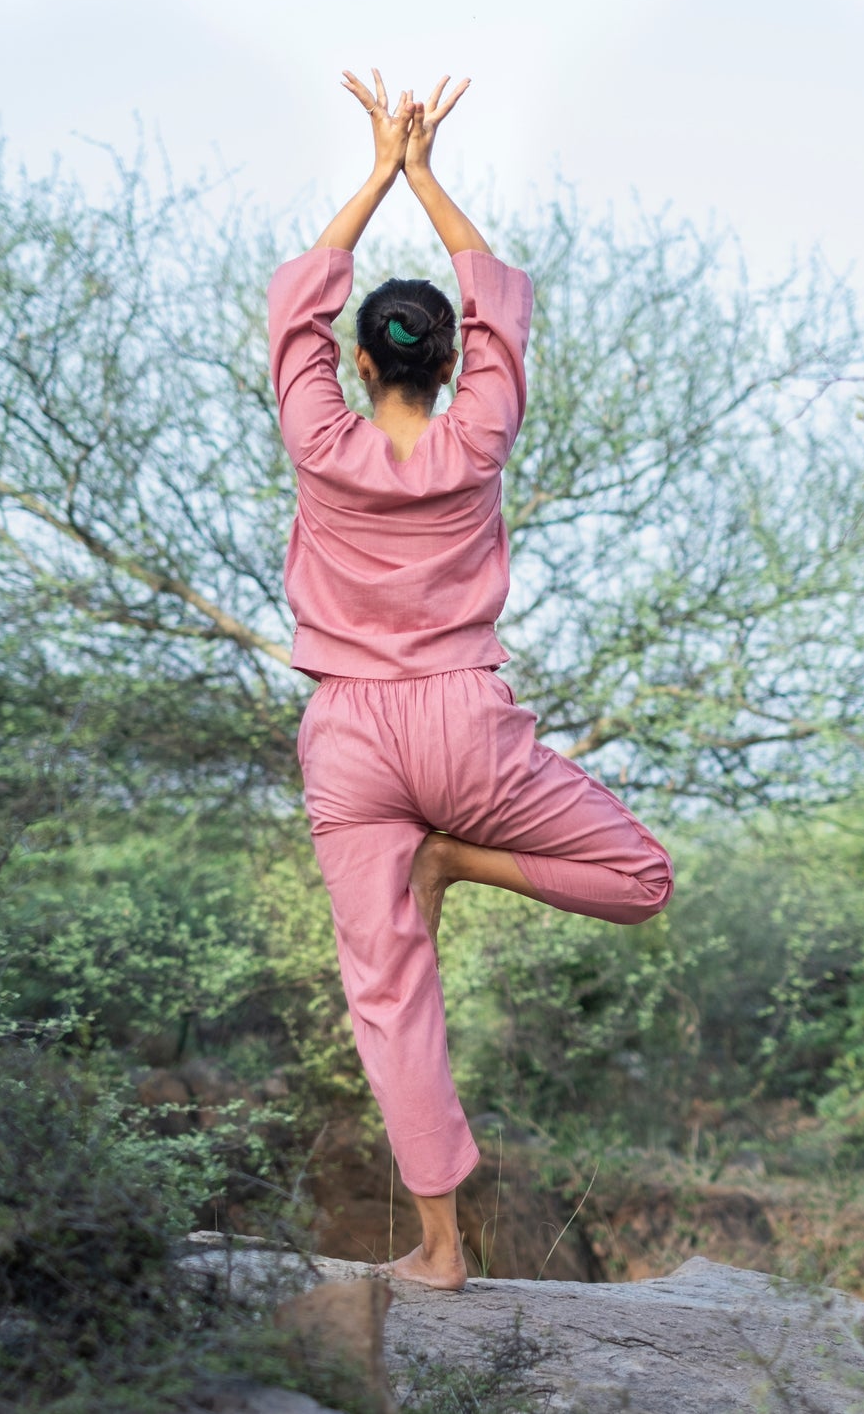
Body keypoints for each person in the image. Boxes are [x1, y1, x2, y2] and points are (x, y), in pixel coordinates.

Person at [267, 69, 674, 1290]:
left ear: (354, 361)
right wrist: (428, 176)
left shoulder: (319, 441)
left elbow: (293, 311)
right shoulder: (477, 435)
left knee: (387, 988)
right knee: (641, 877)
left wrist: (374, 176)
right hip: (463, 720)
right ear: (451, 364)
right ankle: (454, 859)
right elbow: (497, 300)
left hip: (349, 734)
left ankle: (439, 1248)